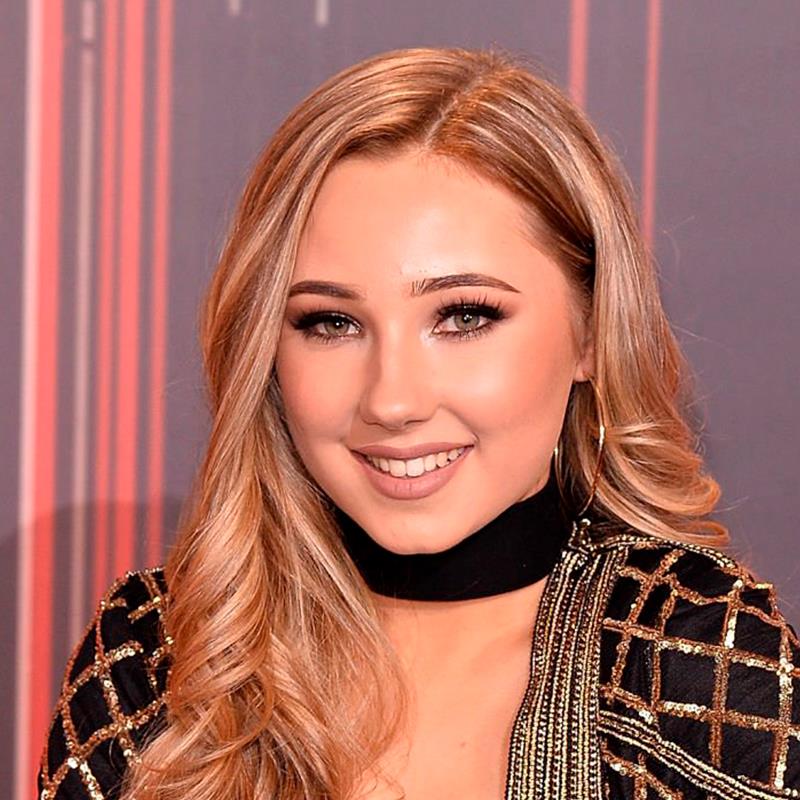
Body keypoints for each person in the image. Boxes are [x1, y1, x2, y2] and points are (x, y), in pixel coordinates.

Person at [38, 46, 799, 800]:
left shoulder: (696, 665)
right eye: (332, 322)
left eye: (464, 316)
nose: (392, 400)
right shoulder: (156, 665)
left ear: (593, 332)